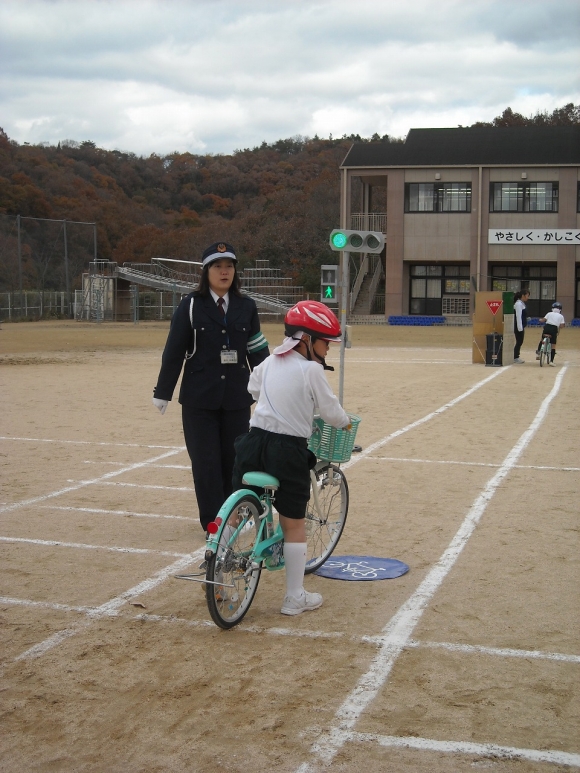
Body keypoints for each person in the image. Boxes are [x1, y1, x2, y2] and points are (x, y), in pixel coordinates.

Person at [232, 300, 351, 616]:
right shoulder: (311, 369)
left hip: (253, 443)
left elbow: (253, 388)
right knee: (294, 521)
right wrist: (345, 422)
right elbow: (331, 411)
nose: (327, 350)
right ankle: (294, 597)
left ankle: (218, 555)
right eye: (326, 343)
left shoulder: (270, 361)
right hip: (287, 451)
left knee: (239, 504)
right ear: (308, 340)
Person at [152, 242, 269, 532]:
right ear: (206, 272)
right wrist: (163, 392)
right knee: (205, 464)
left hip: (236, 399)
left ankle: (237, 516)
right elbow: (174, 350)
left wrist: (271, 386)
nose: (224, 271)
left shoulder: (247, 306)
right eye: (217, 266)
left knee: (236, 461)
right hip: (198, 400)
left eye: (229, 266)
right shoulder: (191, 305)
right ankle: (213, 523)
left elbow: (257, 351)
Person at [535, 302, 565, 366]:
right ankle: (551, 361)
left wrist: (540, 320)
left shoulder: (549, 313)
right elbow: (562, 326)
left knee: (542, 339)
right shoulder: (561, 316)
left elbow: (543, 320)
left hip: (547, 327)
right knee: (553, 345)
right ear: (560, 309)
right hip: (554, 329)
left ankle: (539, 353)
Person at [513, 289, 530, 364]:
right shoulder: (518, 304)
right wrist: (520, 327)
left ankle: (515, 356)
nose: (528, 297)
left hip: (521, 325)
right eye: (527, 296)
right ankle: (515, 356)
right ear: (523, 296)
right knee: (519, 341)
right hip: (518, 326)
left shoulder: (522, 304)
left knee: (520, 341)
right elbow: (518, 316)